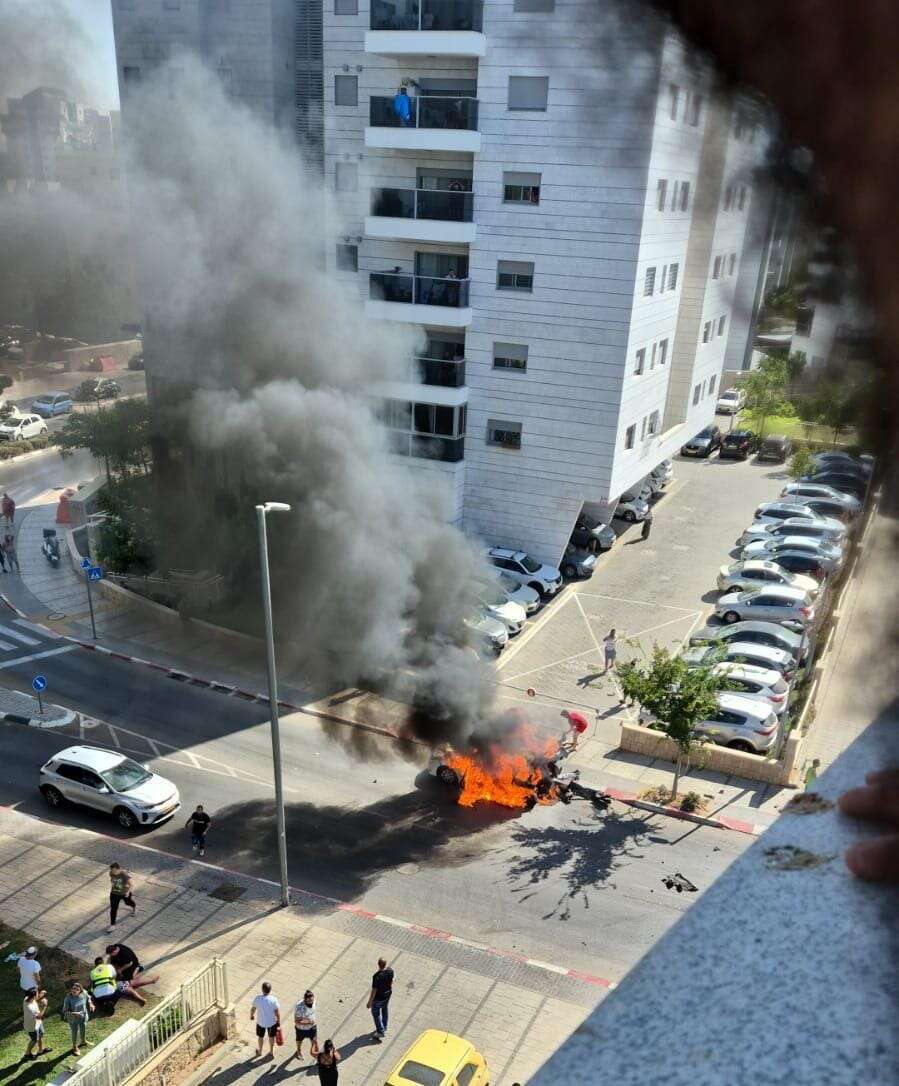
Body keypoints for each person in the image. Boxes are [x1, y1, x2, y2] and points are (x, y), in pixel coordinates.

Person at [61, 979, 94, 1057]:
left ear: (80, 991)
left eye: (77, 989)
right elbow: (65, 1011)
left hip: (83, 1016)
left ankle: (83, 1041)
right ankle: (74, 1047)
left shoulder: (84, 993)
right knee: (74, 1031)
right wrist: (75, 1013)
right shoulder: (68, 998)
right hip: (73, 1019)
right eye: (73, 989)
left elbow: (88, 997)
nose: (74, 990)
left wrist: (90, 1004)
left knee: (83, 1027)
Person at [250, 982, 280, 1059]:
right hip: (271, 1023)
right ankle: (271, 1051)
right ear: (270, 990)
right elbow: (277, 1012)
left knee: (260, 1037)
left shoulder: (258, 998)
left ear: (262, 989)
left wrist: (252, 1015)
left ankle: (260, 1051)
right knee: (271, 1037)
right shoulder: (273, 999)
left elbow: (253, 1009)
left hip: (261, 1022)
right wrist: (278, 1021)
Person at [367, 957, 393, 1041]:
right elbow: (391, 981)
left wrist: (370, 1002)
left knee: (376, 1013)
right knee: (385, 1009)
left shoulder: (376, 976)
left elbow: (374, 990)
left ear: (378, 964)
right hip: (387, 994)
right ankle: (384, 1026)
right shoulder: (390, 971)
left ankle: (380, 1031)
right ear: (385, 964)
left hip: (378, 998)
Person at [108, 862, 136, 932]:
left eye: (114, 871)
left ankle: (134, 907)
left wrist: (128, 892)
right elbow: (112, 880)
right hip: (114, 894)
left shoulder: (124, 875)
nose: (113, 872)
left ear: (119, 869)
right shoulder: (111, 873)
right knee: (113, 909)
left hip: (124, 894)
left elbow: (131, 884)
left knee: (128, 903)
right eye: (112, 870)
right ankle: (112, 925)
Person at [23, 987, 49, 1060]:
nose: (38, 993)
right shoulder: (30, 1008)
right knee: (34, 1040)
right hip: (32, 1026)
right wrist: (45, 1006)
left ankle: (41, 1050)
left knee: (41, 1033)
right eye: (37, 993)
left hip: (38, 1023)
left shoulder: (26, 998)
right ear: (34, 996)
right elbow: (39, 1016)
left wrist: (41, 995)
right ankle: (27, 1054)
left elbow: (35, 1000)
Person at [294, 989, 318, 1060]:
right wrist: (308, 1022)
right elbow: (297, 1021)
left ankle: (317, 1056)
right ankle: (298, 1051)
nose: (311, 1002)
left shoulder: (313, 1001)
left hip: (312, 1027)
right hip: (301, 1029)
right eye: (309, 1001)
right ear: (304, 1000)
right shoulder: (299, 1007)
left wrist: (311, 1022)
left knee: (314, 1041)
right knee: (299, 1040)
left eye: (312, 1000)